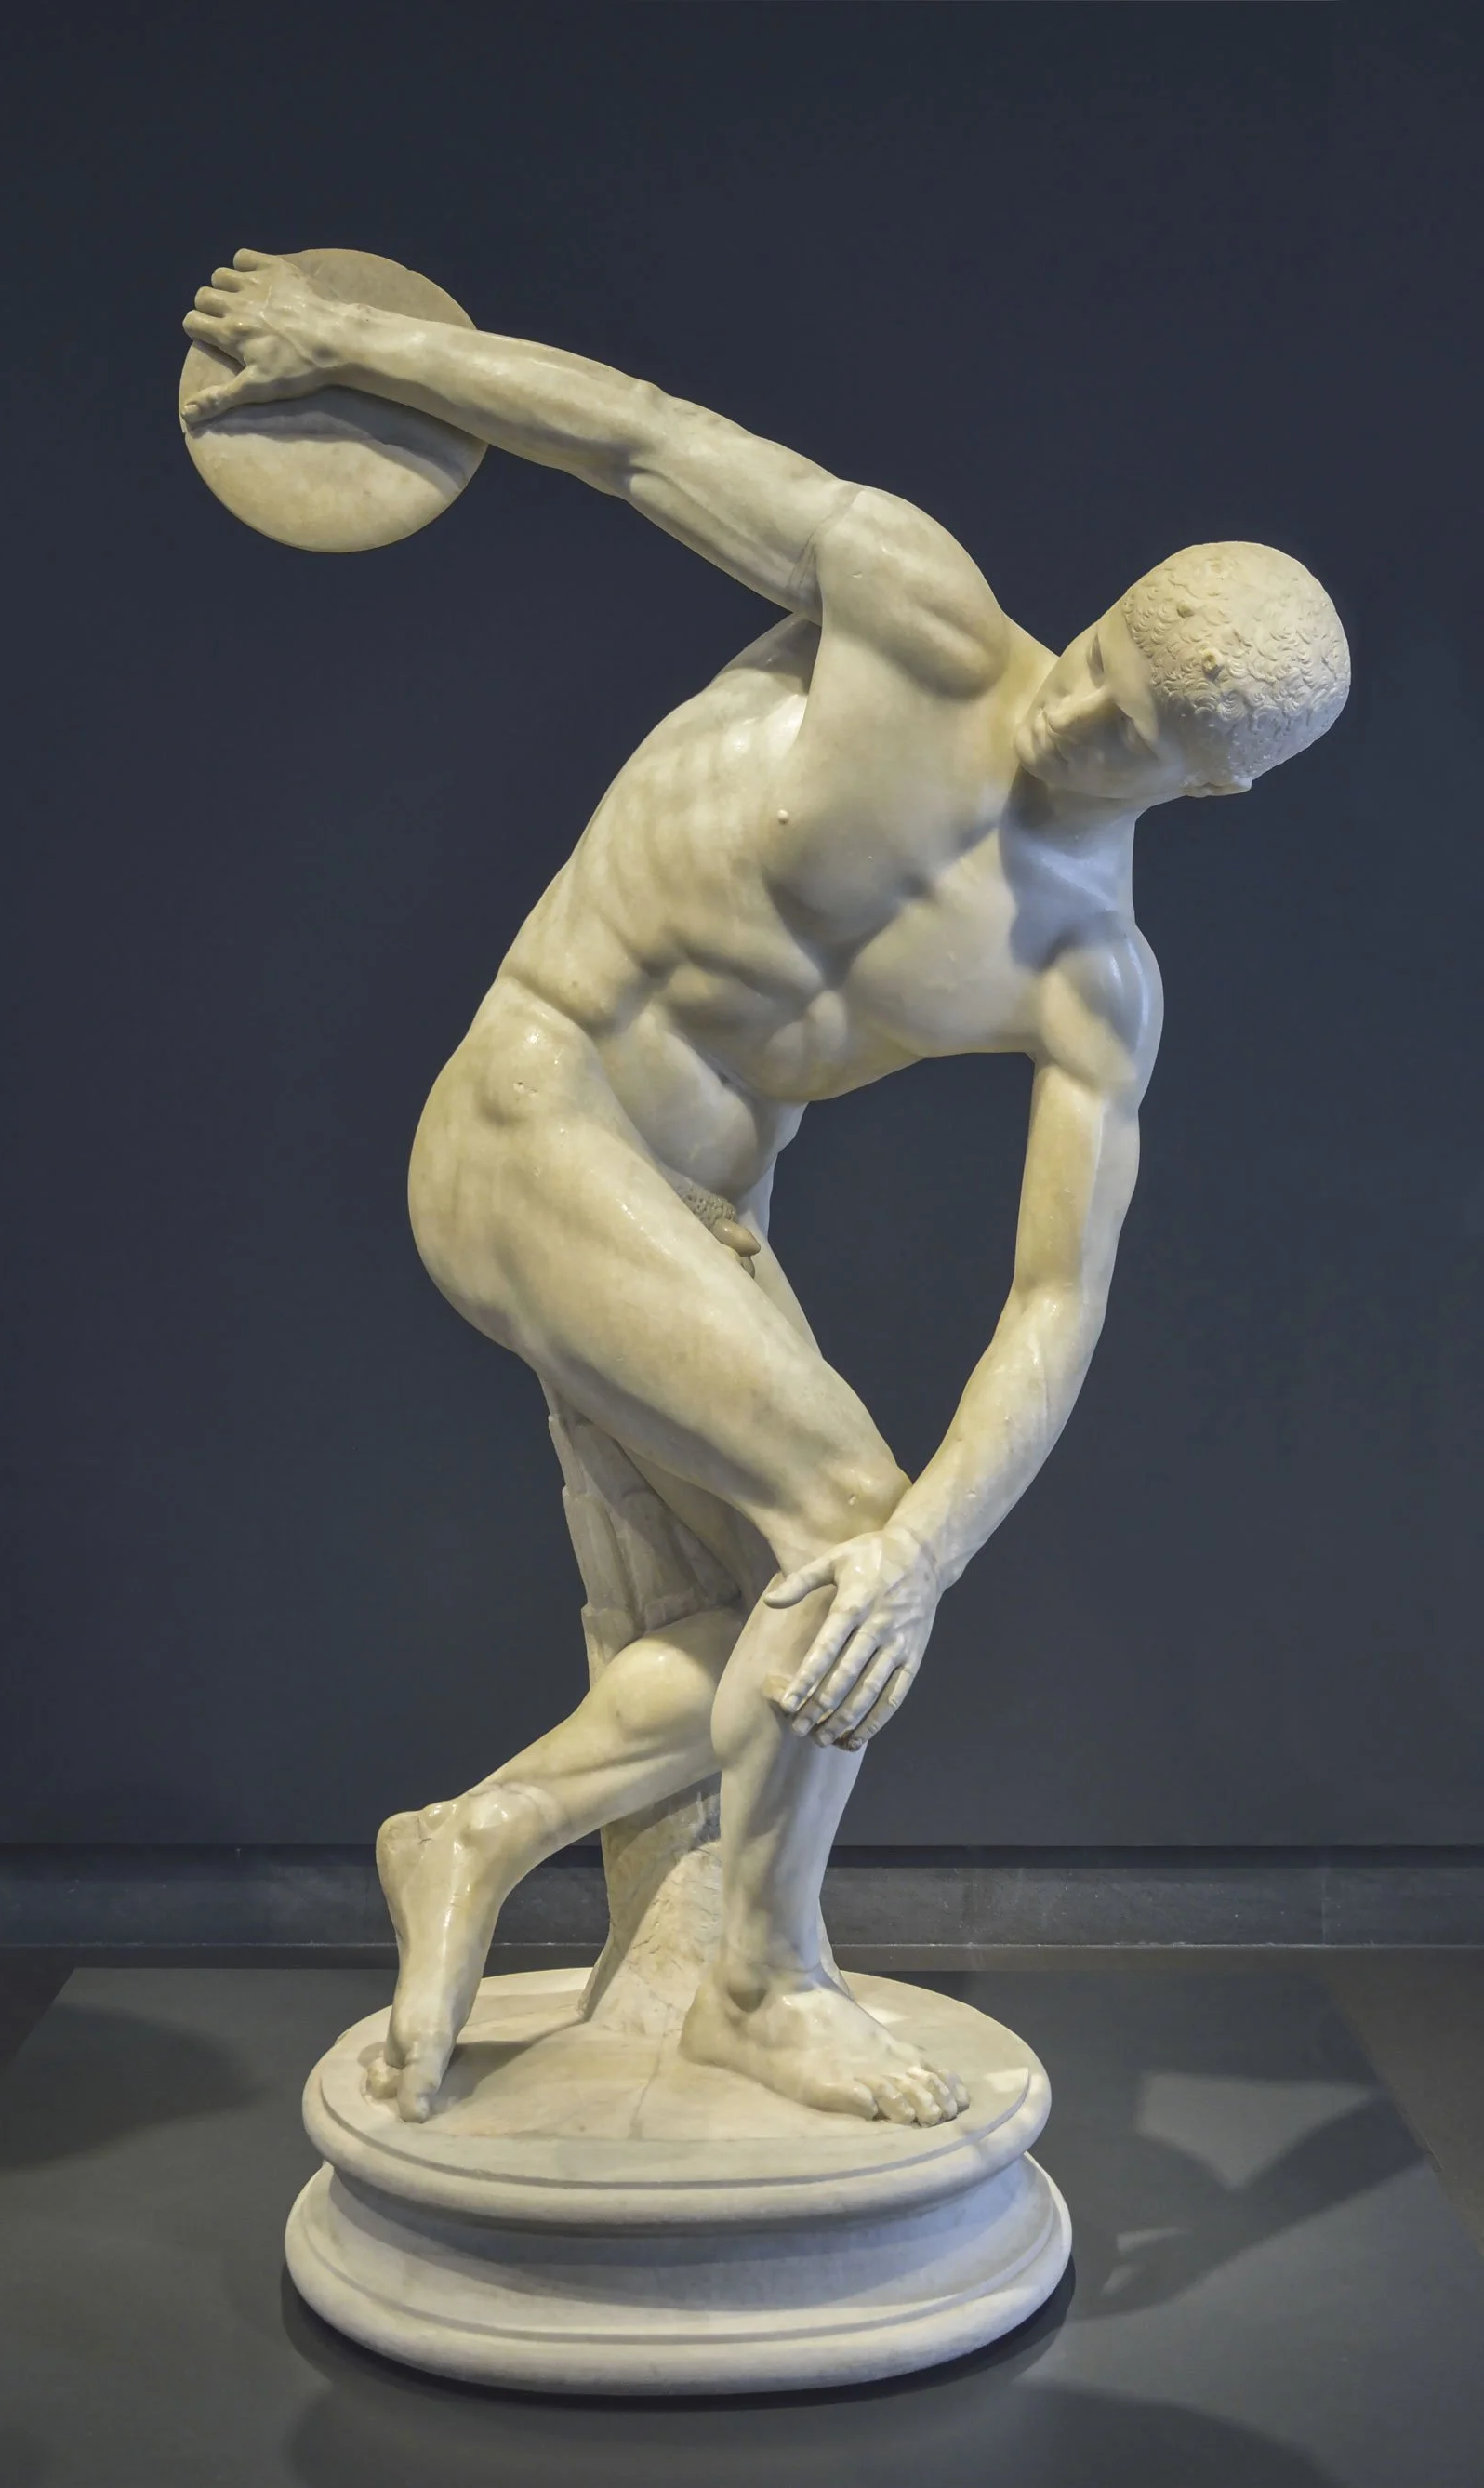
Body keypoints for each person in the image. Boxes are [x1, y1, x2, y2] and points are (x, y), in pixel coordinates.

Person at [185, 251, 1350, 2129]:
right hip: (523, 1104)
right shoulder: (911, 604)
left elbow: (1052, 1301)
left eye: (1139, 738)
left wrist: (926, 1556)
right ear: (1106, 615)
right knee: (839, 1513)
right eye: (1098, 669)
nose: (1075, 724)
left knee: (814, 1596)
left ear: (1204, 787)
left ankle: (474, 1839)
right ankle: (759, 1979)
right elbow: (635, 447)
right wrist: (365, 345)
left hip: (699, 1223)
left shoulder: (1085, 979)